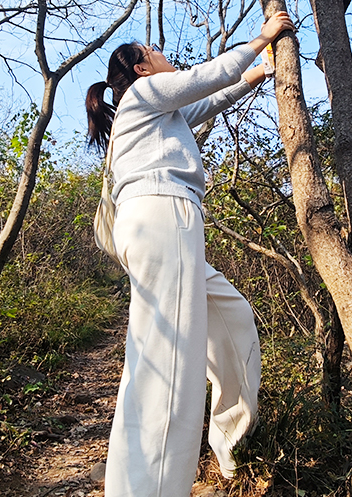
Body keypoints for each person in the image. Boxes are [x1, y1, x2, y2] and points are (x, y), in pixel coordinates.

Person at [85, 12, 295, 497]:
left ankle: (230, 444)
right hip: (163, 216)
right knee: (170, 360)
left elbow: (209, 97)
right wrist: (261, 38)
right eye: (153, 52)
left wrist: (253, 75)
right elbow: (204, 78)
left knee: (231, 318)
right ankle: (148, 488)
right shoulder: (145, 93)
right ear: (141, 69)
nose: (163, 56)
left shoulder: (158, 112)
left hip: (161, 223)